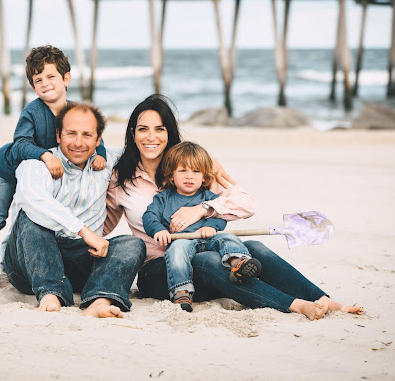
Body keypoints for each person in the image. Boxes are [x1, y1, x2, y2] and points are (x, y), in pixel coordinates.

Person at [105, 94, 364, 320]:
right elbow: (102, 224)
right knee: (209, 261)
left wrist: (203, 209)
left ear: (169, 133)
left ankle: (323, 299)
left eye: (159, 129)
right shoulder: (120, 178)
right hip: (161, 272)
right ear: (133, 133)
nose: (151, 137)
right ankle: (294, 305)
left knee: (253, 248)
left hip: (207, 255)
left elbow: (247, 203)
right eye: (143, 129)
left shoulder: (192, 168)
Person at [0, 45, 107, 289]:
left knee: (32, 215)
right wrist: (45, 155)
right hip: (7, 169)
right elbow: (21, 143)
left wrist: (101, 154)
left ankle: (13, 256)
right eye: (38, 80)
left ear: (66, 79)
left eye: (51, 76)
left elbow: (92, 131)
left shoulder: (75, 111)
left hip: (38, 173)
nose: (45, 83)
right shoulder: (32, 112)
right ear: (33, 87)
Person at [3, 101, 145, 318]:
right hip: (31, 261)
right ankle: (51, 293)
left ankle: (99, 300)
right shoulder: (37, 163)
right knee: (31, 217)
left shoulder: (108, 162)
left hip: (82, 259)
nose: (78, 143)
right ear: (58, 135)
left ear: (98, 139)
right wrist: (84, 231)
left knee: (132, 244)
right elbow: (33, 198)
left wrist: (205, 170)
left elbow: (155, 156)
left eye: (87, 135)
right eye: (71, 134)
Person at [142, 141, 261, 312]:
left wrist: (212, 226)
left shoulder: (209, 197)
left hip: (207, 239)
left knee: (228, 238)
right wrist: (158, 230)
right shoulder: (163, 198)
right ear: (171, 176)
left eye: (196, 171)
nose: (189, 176)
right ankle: (181, 291)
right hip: (182, 240)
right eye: (183, 171)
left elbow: (219, 216)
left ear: (204, 177)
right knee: (176, 252)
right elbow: (149, 216)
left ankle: (238, 263)